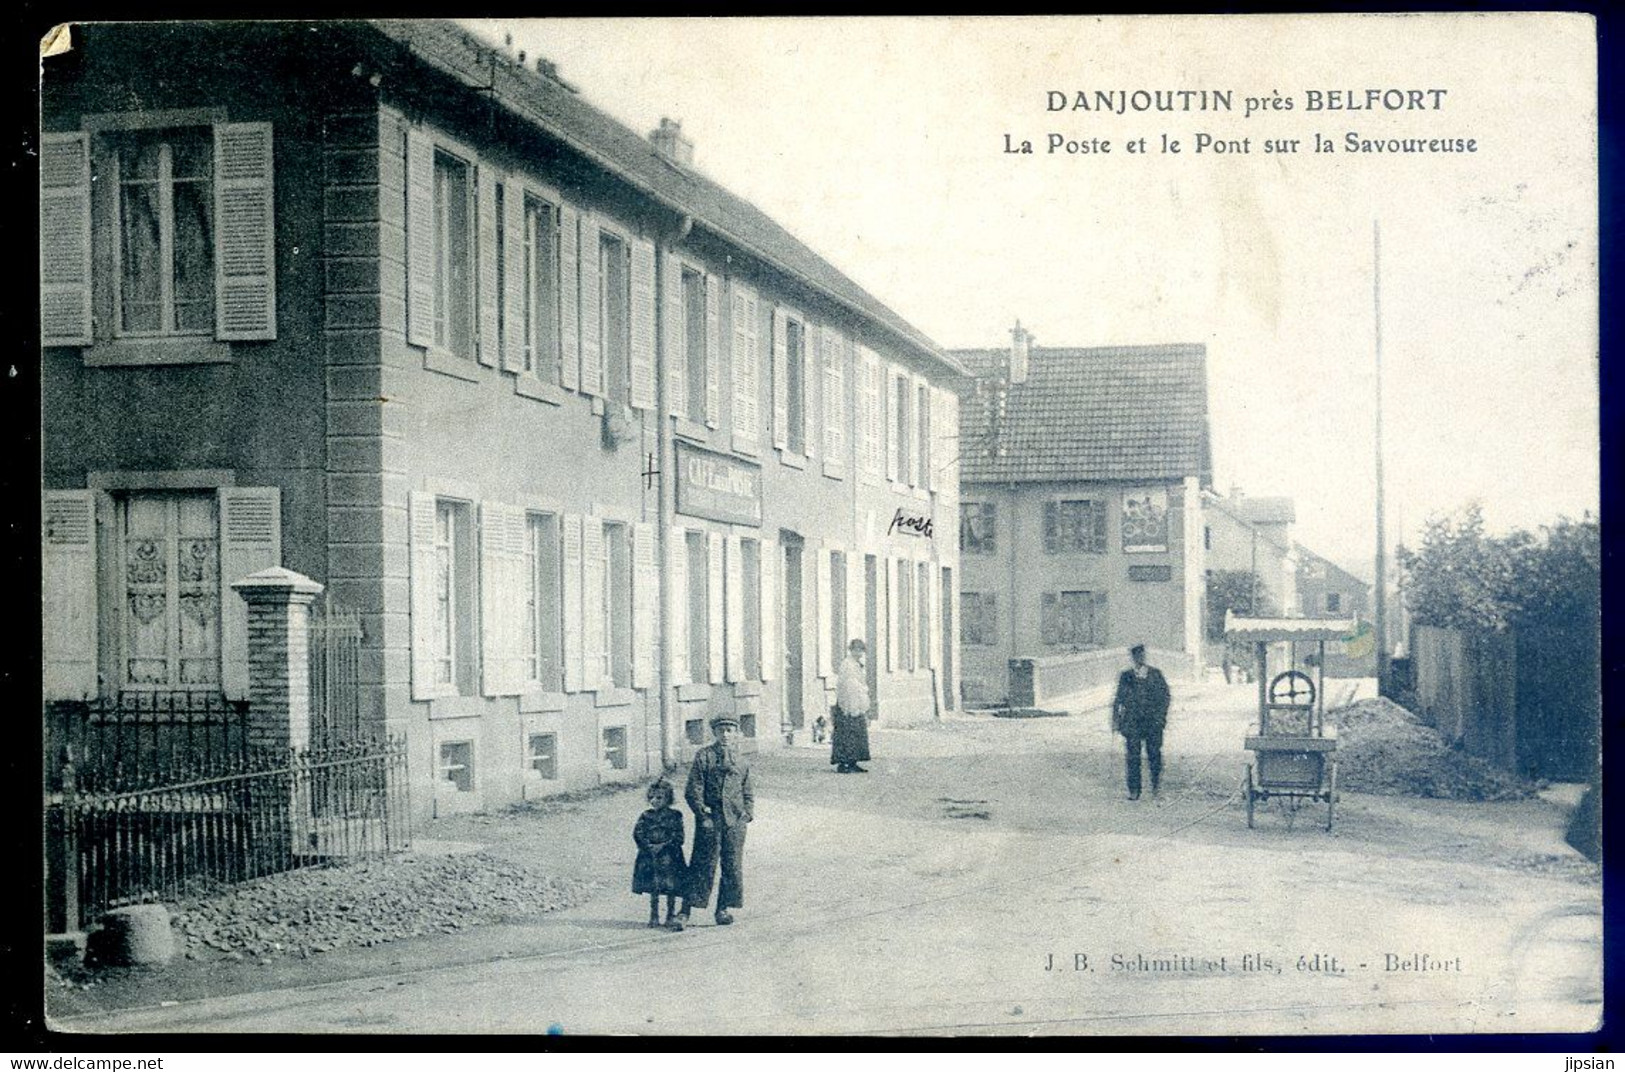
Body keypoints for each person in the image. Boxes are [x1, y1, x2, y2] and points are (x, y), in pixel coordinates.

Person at [680, 714, 754, 927]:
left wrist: (747, 814)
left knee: (731, 866)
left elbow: (747, 791)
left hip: (735, 822)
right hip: (710, 819)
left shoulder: (741, 761)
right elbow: (693, 789)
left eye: (730, 730)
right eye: (721, 730)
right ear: (714, 733)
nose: (725, 735)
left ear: (736, 734)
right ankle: (685, 911)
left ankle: (723, 909)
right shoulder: (704, 757)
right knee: (702, 863)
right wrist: (702, 814)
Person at [1113, 644, 1171, 800]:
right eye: (1136, 656)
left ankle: (1156, 788)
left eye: (1142, 656)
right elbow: (1118, 700)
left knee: (1154, 756)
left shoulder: (1155, 675)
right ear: (1133, 658)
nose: (1140, 659)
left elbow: (1165, 697)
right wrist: (1116, 721)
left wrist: (1161, 718)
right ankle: (1134, 790)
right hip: (1132, 724)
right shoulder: (1126, 676)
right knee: (1133, 757)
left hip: (1152, 723)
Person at [631, 778, 687, 930]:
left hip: (669, 856)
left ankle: (670, 915)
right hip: (650, 856)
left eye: (659, 798)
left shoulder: (675, 816)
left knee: (671, 886)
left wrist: (664, 845)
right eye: (651, 798)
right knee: (653, 886)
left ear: (668, 798)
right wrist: (648, 846)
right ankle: (654, 915)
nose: (654, 801)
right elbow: (638, 833)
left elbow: (679, 836)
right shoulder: (646, 816)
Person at [831, 638, 873, 773]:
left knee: (858, 734)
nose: (858, 653)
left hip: (857, 702)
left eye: (861, 650)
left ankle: (853, 761)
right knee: (846, 734)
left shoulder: (857, 664)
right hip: (847, 703)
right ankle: (843, 763)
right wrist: (849, 704)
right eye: (856, 650)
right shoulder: (847, 664)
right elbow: (846, 685)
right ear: (851, 650)